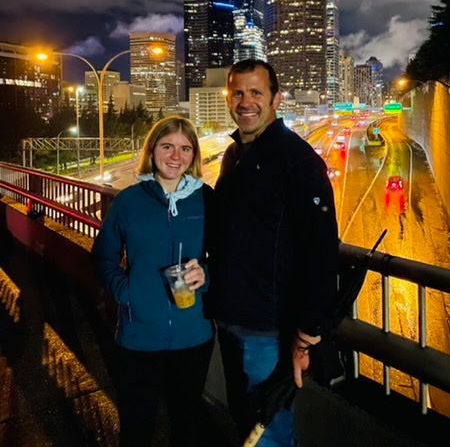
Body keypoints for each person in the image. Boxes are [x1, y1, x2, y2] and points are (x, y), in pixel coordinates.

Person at [208, 59, 339, 446]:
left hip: (268, 327)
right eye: (237, 93)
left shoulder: (297, 160)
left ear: (276, 99)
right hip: (230, 317)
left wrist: (308, 333)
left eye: (256, 92)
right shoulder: (234, 156)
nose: (245, 102)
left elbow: (321, 250)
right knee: (244, 418)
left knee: (269, 431)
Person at [92, 116, 214, 447]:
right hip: (138, 336)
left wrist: (206, 273)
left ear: (194, 155)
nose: (176, 156)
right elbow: (103, 256)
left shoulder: (207, 199)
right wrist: (125, 292)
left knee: (186, 425)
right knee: (136, 426)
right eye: (167, 146)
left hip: (193, 335)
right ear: (152, 150)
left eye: (185, 149)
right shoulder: (129, 201)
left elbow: (227, 258)